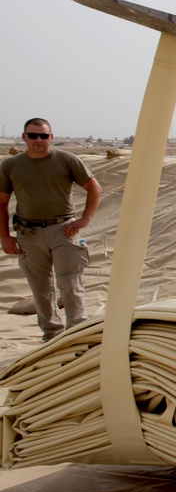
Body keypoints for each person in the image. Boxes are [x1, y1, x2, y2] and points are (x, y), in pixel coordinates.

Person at [0, 118, 102, 342]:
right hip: (28, 234)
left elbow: (94, 188)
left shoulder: (66, 159)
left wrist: (84, 220)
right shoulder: (10, 165)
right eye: (33, 135)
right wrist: (5, 236)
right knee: (41, 289)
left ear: (51, 137)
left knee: (71, 285)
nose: (39, 140)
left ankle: (78, 336)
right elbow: (1, 203)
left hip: (63, 230)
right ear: (24, 137)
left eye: (44, 136)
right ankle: (52, 338)